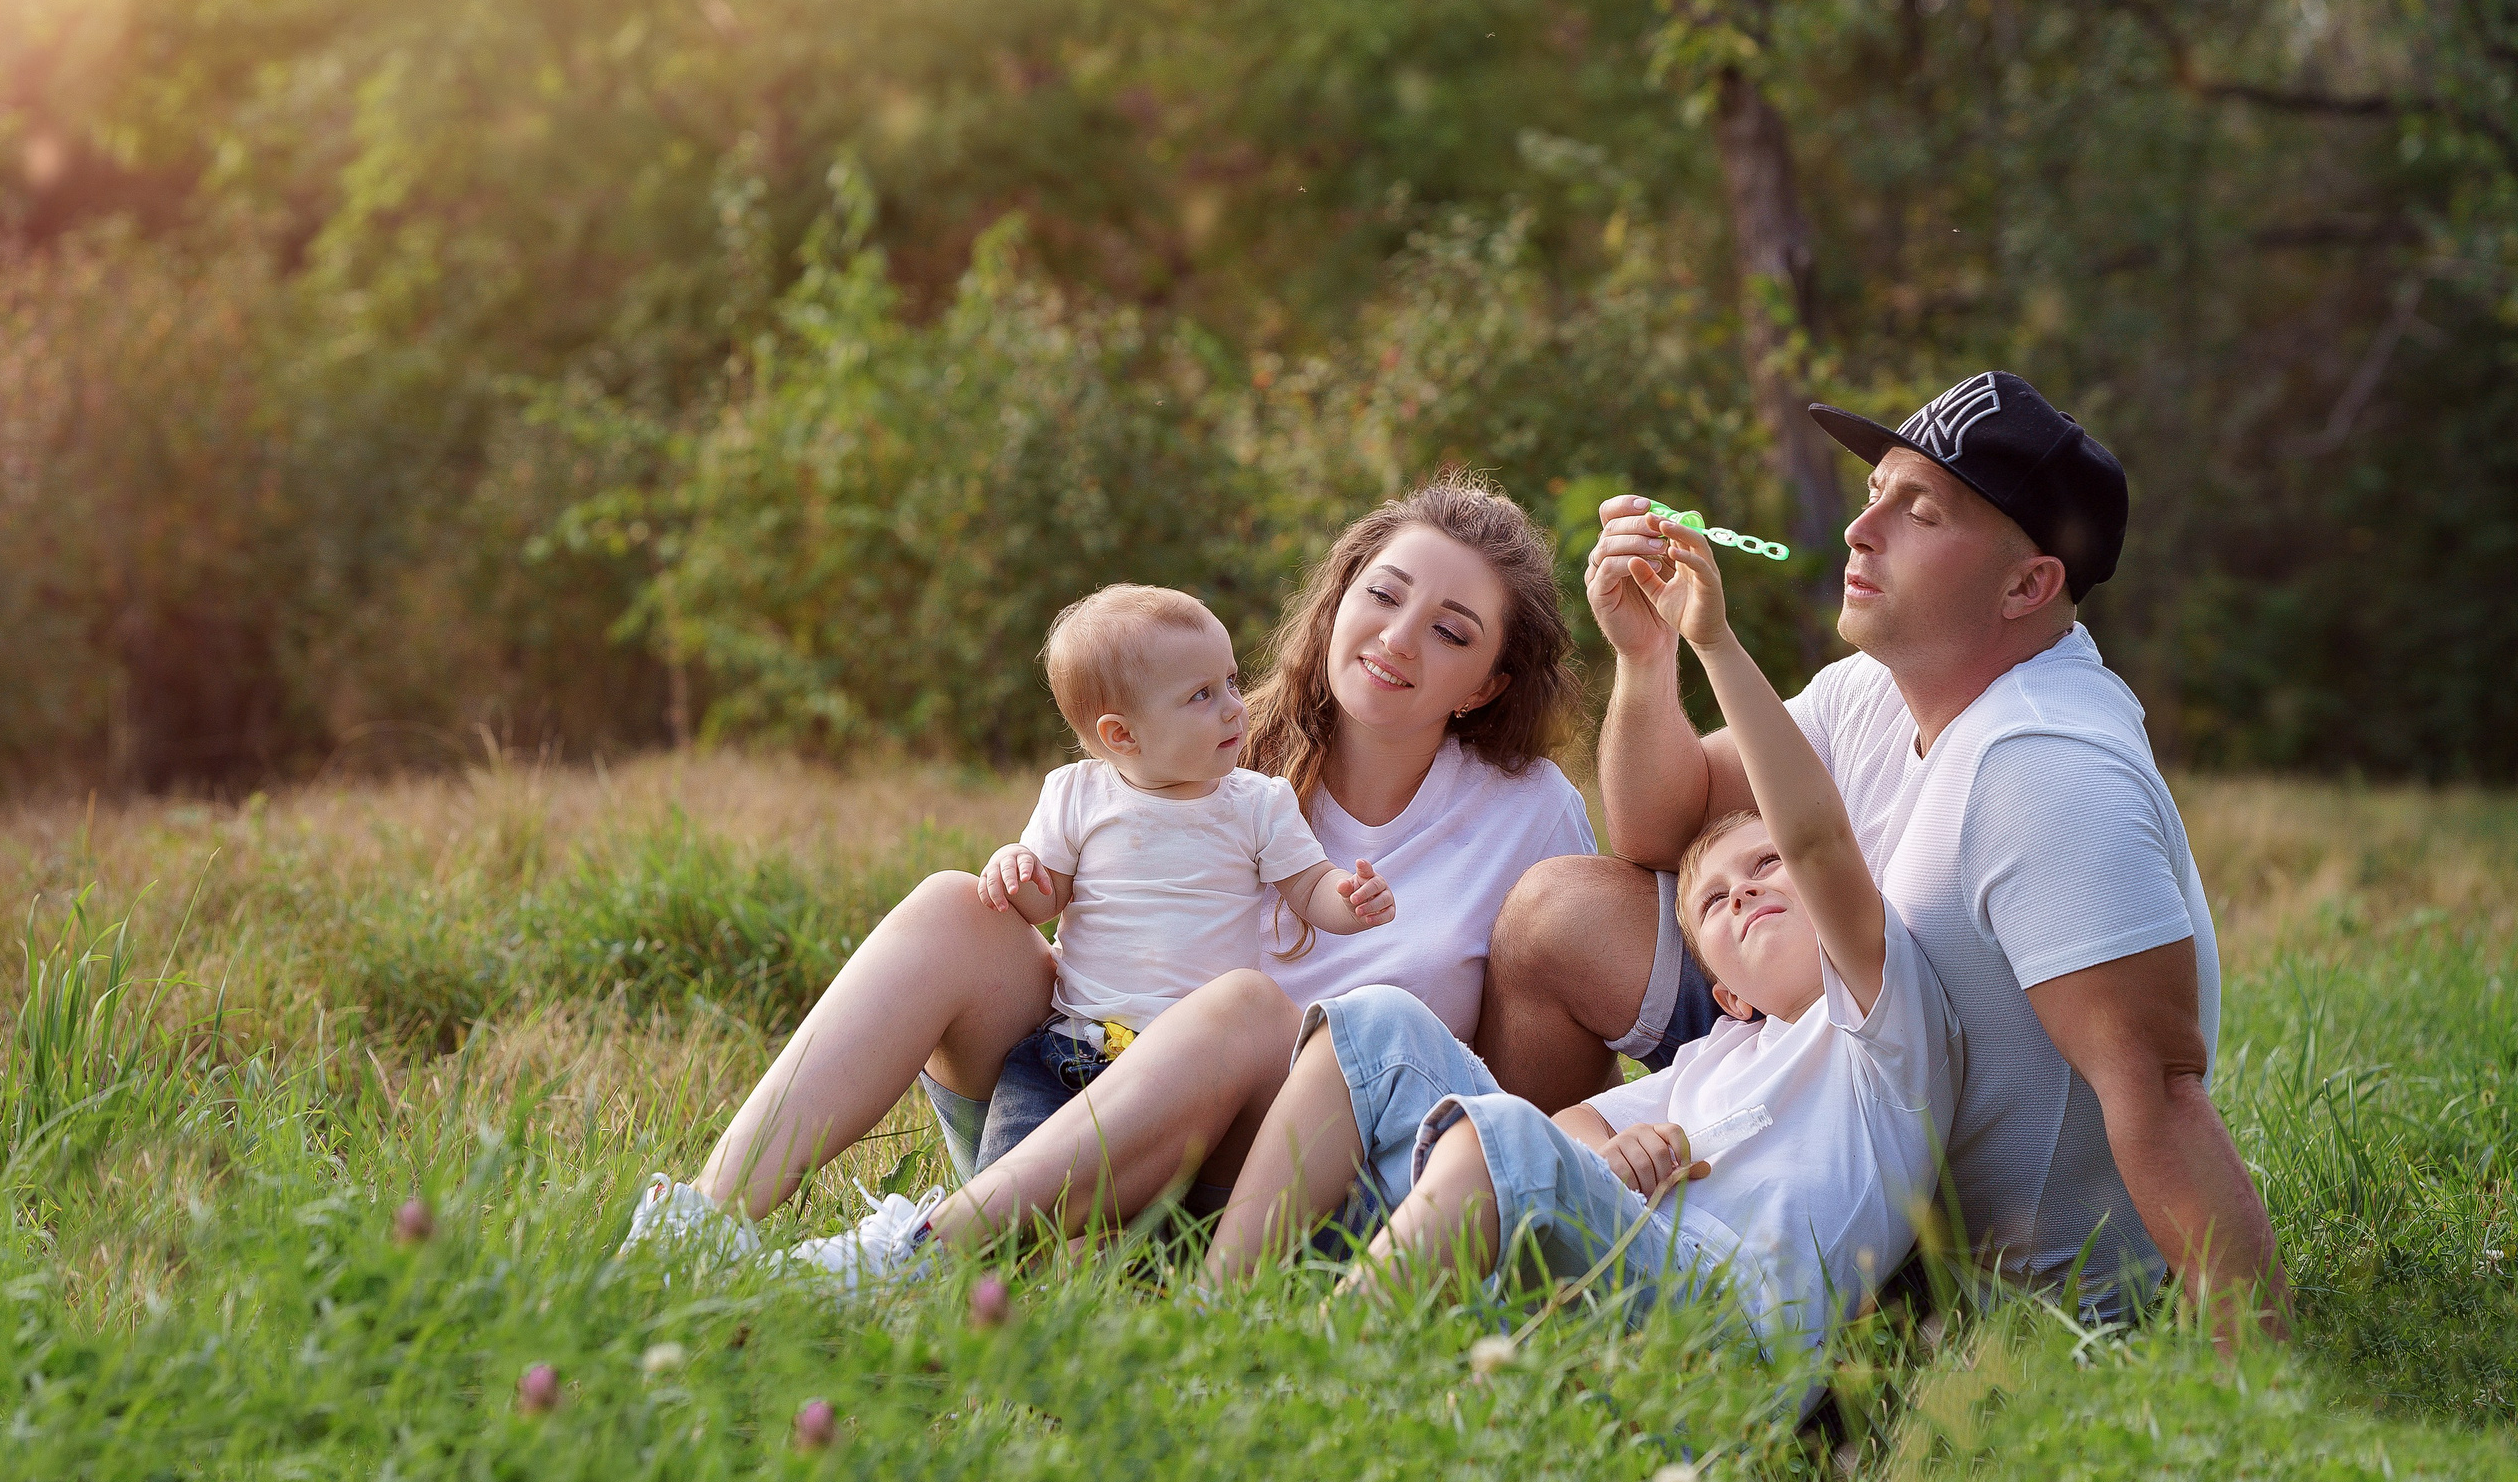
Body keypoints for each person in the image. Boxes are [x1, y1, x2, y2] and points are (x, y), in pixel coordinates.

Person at [1481, 371, 2288, 1340]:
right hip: (1864, 1139)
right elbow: (1662, 827)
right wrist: (1650, 657)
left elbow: (2159, 1088)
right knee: (1558, 912)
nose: (1863, 532)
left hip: (2000, 1285)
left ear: (2027, 583)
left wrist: (2257, 1386)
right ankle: (1523, 1231)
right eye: (1874, 496)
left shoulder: (2042, 764)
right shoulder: (1883, 681)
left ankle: (1541, 1257)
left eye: (1921, 511)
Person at [624, 475, 1594, 1267]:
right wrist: (1023, 882)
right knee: (952, 906)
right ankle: (699, 1224)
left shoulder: (1527, 809)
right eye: (1383, 593)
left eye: (1451, 629)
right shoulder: (1219, 737)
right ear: (1340, 596)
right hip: (1090, 1116)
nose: (1395, 634)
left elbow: (1538, 1059)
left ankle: (912, 1253)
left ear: (1488, 683)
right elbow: (1099, 933)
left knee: (1248, 1006)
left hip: (1290, 1188)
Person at [1199, 518, 1959, 1367]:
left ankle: (1312, 1378)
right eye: (1711, 901)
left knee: (1509, 1144)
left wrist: (1709, 639)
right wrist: (1610, 1147)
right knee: (1376, 1021)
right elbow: (1570, 1124)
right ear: (1727, 995)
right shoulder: (1721, 1058)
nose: (1743, 889)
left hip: (1732, 1326)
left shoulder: (1879, 1012)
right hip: (1620, 1281)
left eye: (1769, 865)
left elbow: (1818, 836)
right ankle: (1216, 1321)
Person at [771, 584, 1397, 1273]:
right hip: (1063, 1056)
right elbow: (1047, 900)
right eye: (1200, 696)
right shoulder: (1076, 795)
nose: (1231, 708)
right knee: (1011, 1195)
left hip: (1184, 1072)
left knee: (1120, 1210)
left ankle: (1080, 1262)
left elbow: (1307, 887)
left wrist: (1349, 898)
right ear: (1119, 735)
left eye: (1229, 682)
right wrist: (1016, 867)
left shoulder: (1257, 802)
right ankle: (951, 1267)